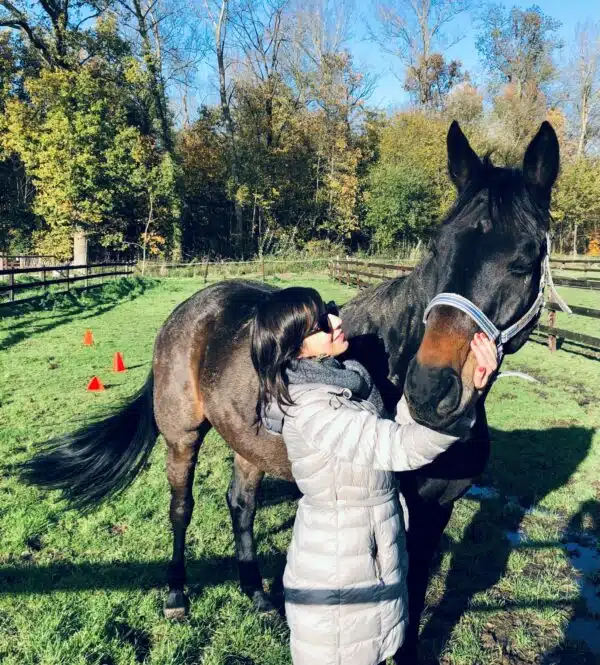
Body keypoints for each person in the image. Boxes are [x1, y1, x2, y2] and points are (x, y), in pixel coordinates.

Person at [250, 287, 498, 665]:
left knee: (373, 645)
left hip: (367, 550)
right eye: (321, 325)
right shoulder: (314, 410)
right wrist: (468, 394)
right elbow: (401, 447)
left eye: (330, 310)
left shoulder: (342, 381)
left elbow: (389, 426)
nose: (337, 321)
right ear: (295, 350)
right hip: (341, 566)